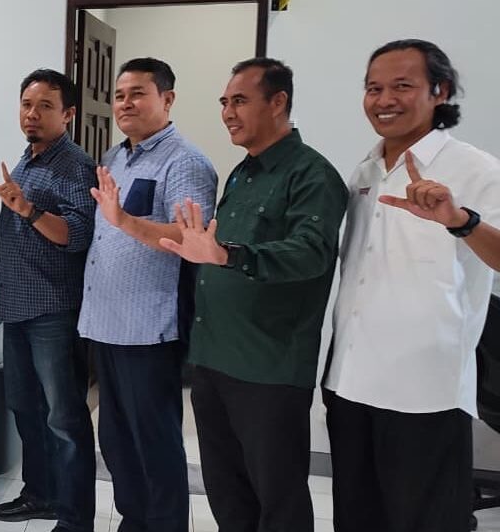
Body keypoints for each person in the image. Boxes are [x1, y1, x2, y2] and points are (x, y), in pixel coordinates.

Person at [161, 58, 348, 532]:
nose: (228, 112)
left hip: (269, 368)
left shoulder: (312, 175)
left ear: (278, 102)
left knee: (278, 499)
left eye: (240, 101)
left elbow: (310, 253)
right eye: (224, 102)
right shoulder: (242, 173)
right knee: (227, 493)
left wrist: (226, 254)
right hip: (214, 360)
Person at [324, 39, 500, 532]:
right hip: (350, 380)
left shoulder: (475, 169)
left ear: (439, 91)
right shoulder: (365, 170)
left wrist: (461, 221)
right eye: (373, 88)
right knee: (357, 517)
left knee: (426, 521)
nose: (384, 100)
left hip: (425, 388)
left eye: (402, 86)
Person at [81, 57, 217, 532]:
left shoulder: (185, 161)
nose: (125, 103)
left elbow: (189, 238)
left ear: (167, 99)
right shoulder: (115, 157)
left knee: (153, 442)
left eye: (138, 93)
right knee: (117, 441)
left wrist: (123, 219)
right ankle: (134, 521)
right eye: (119, 95)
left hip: (149, 326)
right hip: (106, 321)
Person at [0, 68, 98, 532]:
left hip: (53, 309)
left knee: (64, 419)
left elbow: (77, 234)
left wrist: (29, 210)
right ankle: (40, 495)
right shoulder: (30, 158)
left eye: (45, 106)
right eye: (27, 105)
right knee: (26, 408)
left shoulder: (74, 164)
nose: (32, 114)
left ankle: (74, 519)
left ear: (68, 114)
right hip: (18, 306)